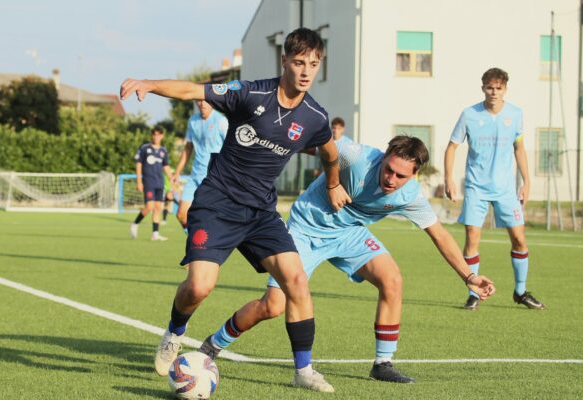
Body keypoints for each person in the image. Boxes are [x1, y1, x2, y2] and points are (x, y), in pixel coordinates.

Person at [120, 27, 350, 393]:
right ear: (284, 61)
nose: (306, 70)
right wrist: (149, 82)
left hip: (260, 212)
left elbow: (330, 153)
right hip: (217, 203)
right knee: (199, 287)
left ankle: (303, 370)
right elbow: (193, 90)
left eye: (314, 63)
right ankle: (174, 332)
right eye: (299, 62)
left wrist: (334, 183)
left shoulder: (315, 117)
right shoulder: (250, 93)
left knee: (296, 280)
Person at [197, 137, 496, 384]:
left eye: (400, 175)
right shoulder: (356, 157)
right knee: (273, 306)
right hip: (306, 229)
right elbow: (314, 141)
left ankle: (383, 363)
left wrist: (469, 277)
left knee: (392, 280)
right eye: (388, 169)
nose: (391, 179)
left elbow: (440, 235)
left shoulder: (411, 197)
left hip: (349, 233)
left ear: (414, 174)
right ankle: (214, 344)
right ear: (384, 157)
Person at [444, 67, 544, 311]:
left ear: (505, 90)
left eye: (498, 88)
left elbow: (519, 149)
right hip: (476, 187)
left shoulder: (516, 115)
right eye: (490, 87)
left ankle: (520, 291)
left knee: (519, 239)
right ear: (483, 88)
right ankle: (473, 293)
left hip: (506, 190)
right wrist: (449, 178)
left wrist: (527, 182)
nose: (494, 92)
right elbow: (451, 147)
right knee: (472, 238)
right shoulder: (469, 114)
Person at [172, 100, 227, 230]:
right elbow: (188, 148)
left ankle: (206, 246)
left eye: (205, 101)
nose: (202, 104)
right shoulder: (192, 120)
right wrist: (177, 172)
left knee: (209, 217)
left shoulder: (221, 121)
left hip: (213, 177)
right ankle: (197, 243)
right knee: (181, 214)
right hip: (195, 175)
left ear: (212, 102)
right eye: (198, 100)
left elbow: (231, 147)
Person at [129, 125, 173, 241]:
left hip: (160, 183)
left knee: (158, 207)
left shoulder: (163, 150)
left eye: (158, 135)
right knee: (149, 206)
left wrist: (171, 177)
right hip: (148, 182)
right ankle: (135, 224)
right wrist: (139, 181)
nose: (156, 137)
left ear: (162, 136)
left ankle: (155, 234)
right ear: (151, 135)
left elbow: (166, 166)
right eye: (154, 134)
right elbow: (138, 164)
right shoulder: (144, 148)